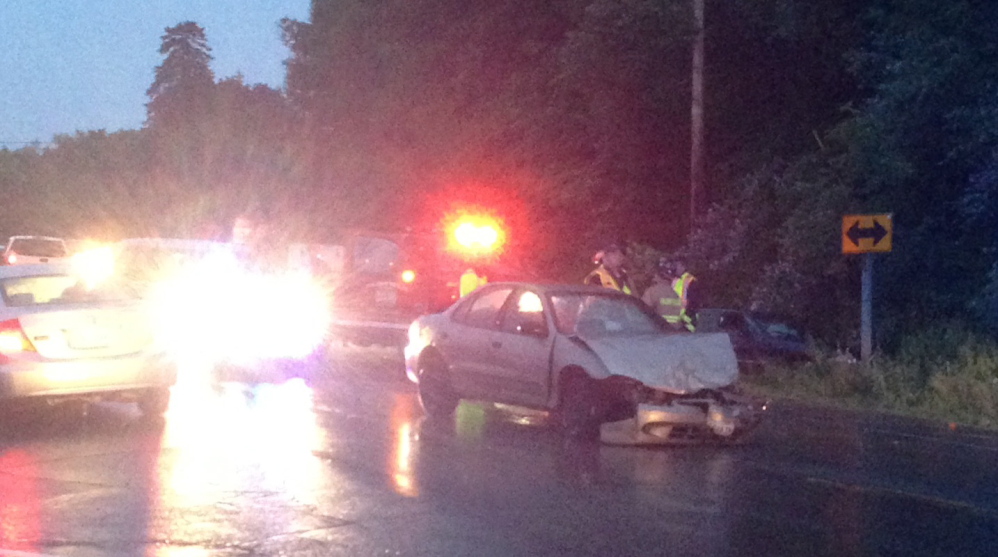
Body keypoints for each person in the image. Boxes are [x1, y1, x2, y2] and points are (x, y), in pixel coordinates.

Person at [642, 257, 685, 330]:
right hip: (676, 334)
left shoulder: (652, 292)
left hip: (659, 335)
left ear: (657, 274)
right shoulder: (677, 292)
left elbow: (642, 315)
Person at [672, 259, 699, 332]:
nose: (675, 268)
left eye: (677, 266)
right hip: (676, 318)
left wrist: (687, 316)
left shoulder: (691, 280)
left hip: (687, 317)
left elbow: (694, 301)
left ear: (683, 267)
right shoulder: (675, 280)